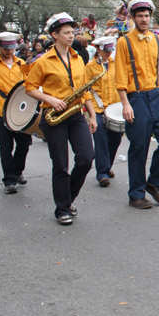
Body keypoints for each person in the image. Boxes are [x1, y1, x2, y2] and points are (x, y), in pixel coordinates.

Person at [25, 13, 97, 226]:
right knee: (61, 164)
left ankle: (68, 198)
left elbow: (84, 89)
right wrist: (50, 99)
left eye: (72, 31)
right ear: (54, 35)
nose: (71, 35)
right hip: (53, 115)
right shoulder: (43, 61)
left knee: (86, 158)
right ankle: (62, 209)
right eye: (66, 32)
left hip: (75, 114)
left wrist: (92, 114)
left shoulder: (77, 58)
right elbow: (29, 88)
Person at [115, 0, 159, 210]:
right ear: (132, 18)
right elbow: (120, 76)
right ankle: (136, 194)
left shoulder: (157, 41)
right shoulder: (124, 42)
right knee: (139, 148)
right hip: (136, 98)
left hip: (157, 98)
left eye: (147, 16)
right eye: (139, 16)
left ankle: (154, 183)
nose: (144, 19)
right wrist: (125, 103)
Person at [0, 32, 32, 194]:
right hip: (0, 109)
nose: (10, 51)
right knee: (6, 146)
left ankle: (17, 171)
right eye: (6, 48)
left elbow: (29, 86)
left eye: (12, 48)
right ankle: (9, 179)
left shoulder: (21, 63)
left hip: (20, 109)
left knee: (24, 143)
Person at [88, 37, 123, 188]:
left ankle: (107, 166)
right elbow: (86, 90)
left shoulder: (117, 64)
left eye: (110, 50)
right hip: (98, 108)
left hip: (115, 108)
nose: (108, 53)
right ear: (98, 49)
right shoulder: (90, 67)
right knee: (101, 140)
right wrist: (90, 113)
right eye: (105, 50)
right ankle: (102, 173)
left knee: (115, 140)